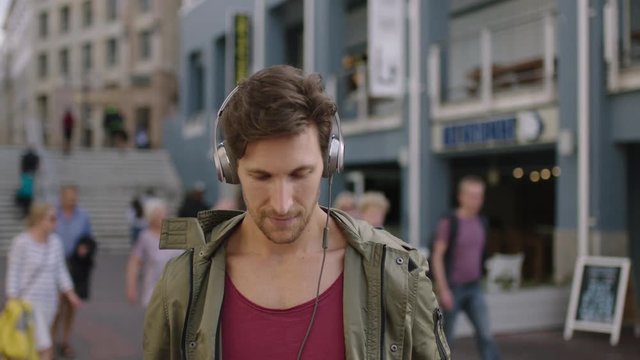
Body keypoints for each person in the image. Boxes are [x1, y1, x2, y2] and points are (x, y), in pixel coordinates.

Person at [143, 65, 450, 359]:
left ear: (330, 163)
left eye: (300, 174)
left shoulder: (397, 275)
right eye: (261, 177)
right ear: (229, 169)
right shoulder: (183, 283)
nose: (282, 204)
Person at [431, 176, 501, 360]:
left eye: (479, 196)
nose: (476, 201)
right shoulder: (449, 222)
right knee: (446, 340)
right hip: (453, 288)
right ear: (461, 197)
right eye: (472, 196)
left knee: (486, 334)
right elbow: (437, 256)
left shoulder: (481, 222)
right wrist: (443, 289)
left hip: (475, 287)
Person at [5, 203, 83, 360]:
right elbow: (13, 272)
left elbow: (61, 270)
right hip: (27, 304)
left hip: (49, 303)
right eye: (52, 219)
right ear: (39, 219)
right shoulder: (21, 242)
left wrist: (70, 293)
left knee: (30, 346)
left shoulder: (55, 242)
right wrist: (12, 300)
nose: (56, 223)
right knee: (46, 348)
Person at [52, 185, 93, 359]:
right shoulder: (53, 214)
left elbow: (88, 238)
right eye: (68, 197)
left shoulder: (83, 216)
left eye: (74, 197)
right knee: (54, 306)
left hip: (74, 266)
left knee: (70, 306)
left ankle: (65, 341)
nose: (71, 200)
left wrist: (85, 246)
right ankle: (50, 340)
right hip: (55, 264)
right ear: (61, 197)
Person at [126, 198, 182, 307]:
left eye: (164, 213)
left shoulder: (177, 235)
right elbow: (134, 263)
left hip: (178, 292)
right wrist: (131, 287)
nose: (163, 216)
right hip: (155, 292)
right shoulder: (145, 237)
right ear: (150, 216)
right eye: (158, 214)